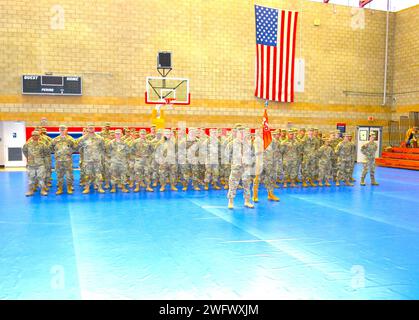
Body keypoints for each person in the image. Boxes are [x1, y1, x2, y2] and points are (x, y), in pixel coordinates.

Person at [227, 125, 254, 209]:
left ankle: (247, 201)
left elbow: (253, 155)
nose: (242, 134)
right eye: (240, 132)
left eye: (243, 132)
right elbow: (227, 155)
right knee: (233, 185)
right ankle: (231, 202)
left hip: (246, 168)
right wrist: (235, 161)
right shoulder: (231, 144)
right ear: (237, 133)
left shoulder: (249, 144)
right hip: (236, 168)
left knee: (247, 185)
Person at [77, 123, 105, 194]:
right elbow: (78, 147)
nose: (91, 129)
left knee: (98, 174)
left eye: (92, 127)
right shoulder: (83, 138)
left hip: (97, 160)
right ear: (87, 129)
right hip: (87, 160)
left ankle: (100, 187)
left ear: (94, 128)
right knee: (87, 174)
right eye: (89, 128)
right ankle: (87, 188)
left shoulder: (100, 138)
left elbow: (103, 148)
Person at [22, 130, 49, 196]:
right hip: (31, 164)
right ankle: (30, 191)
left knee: (41, 178)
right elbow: (25, 152)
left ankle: (43, 190)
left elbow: (46, 154)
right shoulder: (27, 144)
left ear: (39, 136)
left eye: (36, 135)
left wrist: (46, 163)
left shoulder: (43, 144)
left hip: (40, 164)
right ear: (31, 136)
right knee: (31, 178)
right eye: (33, 135)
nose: (35, 136)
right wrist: (29, 159)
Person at [51, 125, 75, 195]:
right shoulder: (55, 140)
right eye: (61, 130)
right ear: (59, 130)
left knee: (69, 175)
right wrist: (57, 153)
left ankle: (69, 188)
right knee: (59, 175)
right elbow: (51, 147)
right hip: (58, 161)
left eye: (64, 129)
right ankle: (60, 189)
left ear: (66, 130)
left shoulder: (70, 139)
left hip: (68, 161)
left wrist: (69, 152)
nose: (62, 131)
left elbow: (75, 147)